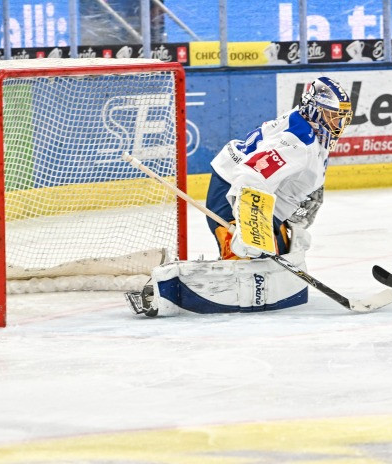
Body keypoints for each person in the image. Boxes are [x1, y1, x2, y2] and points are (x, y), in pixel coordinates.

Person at [127, 77, 354, 316]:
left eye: (341, 117)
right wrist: (249, 228)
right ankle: (167, 290)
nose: (339, 123)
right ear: (315, 111)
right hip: (230, 194)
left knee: (275, 258)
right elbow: (250, 175)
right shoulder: (297, 143)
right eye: (333, 116)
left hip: (260, 197)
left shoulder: (311, 129)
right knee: (246, 261)